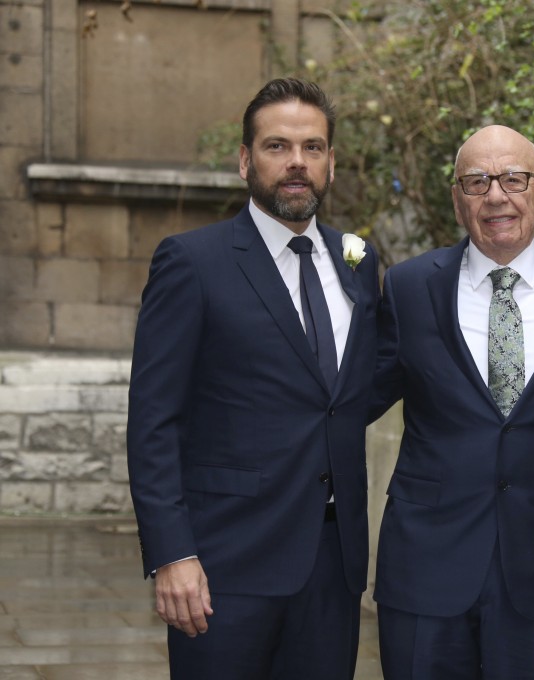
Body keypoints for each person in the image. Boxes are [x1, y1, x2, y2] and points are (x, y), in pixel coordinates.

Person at [126, 78, 379, 680]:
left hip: (332, 563)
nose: (297, 162)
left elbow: (354, 390)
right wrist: (173, 554)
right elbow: (153, 419)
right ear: (245, 160)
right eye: (277, 146)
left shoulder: (360, 262)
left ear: (332, 164)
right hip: (224, 565)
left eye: (313, 147)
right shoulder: (191, 262)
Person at [371, 125, 534, 679]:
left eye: (514, 178)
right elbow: (352, 399)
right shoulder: (409, 287)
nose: (497, 196)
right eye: (477, 181)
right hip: (425, 565)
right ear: (458, 200)